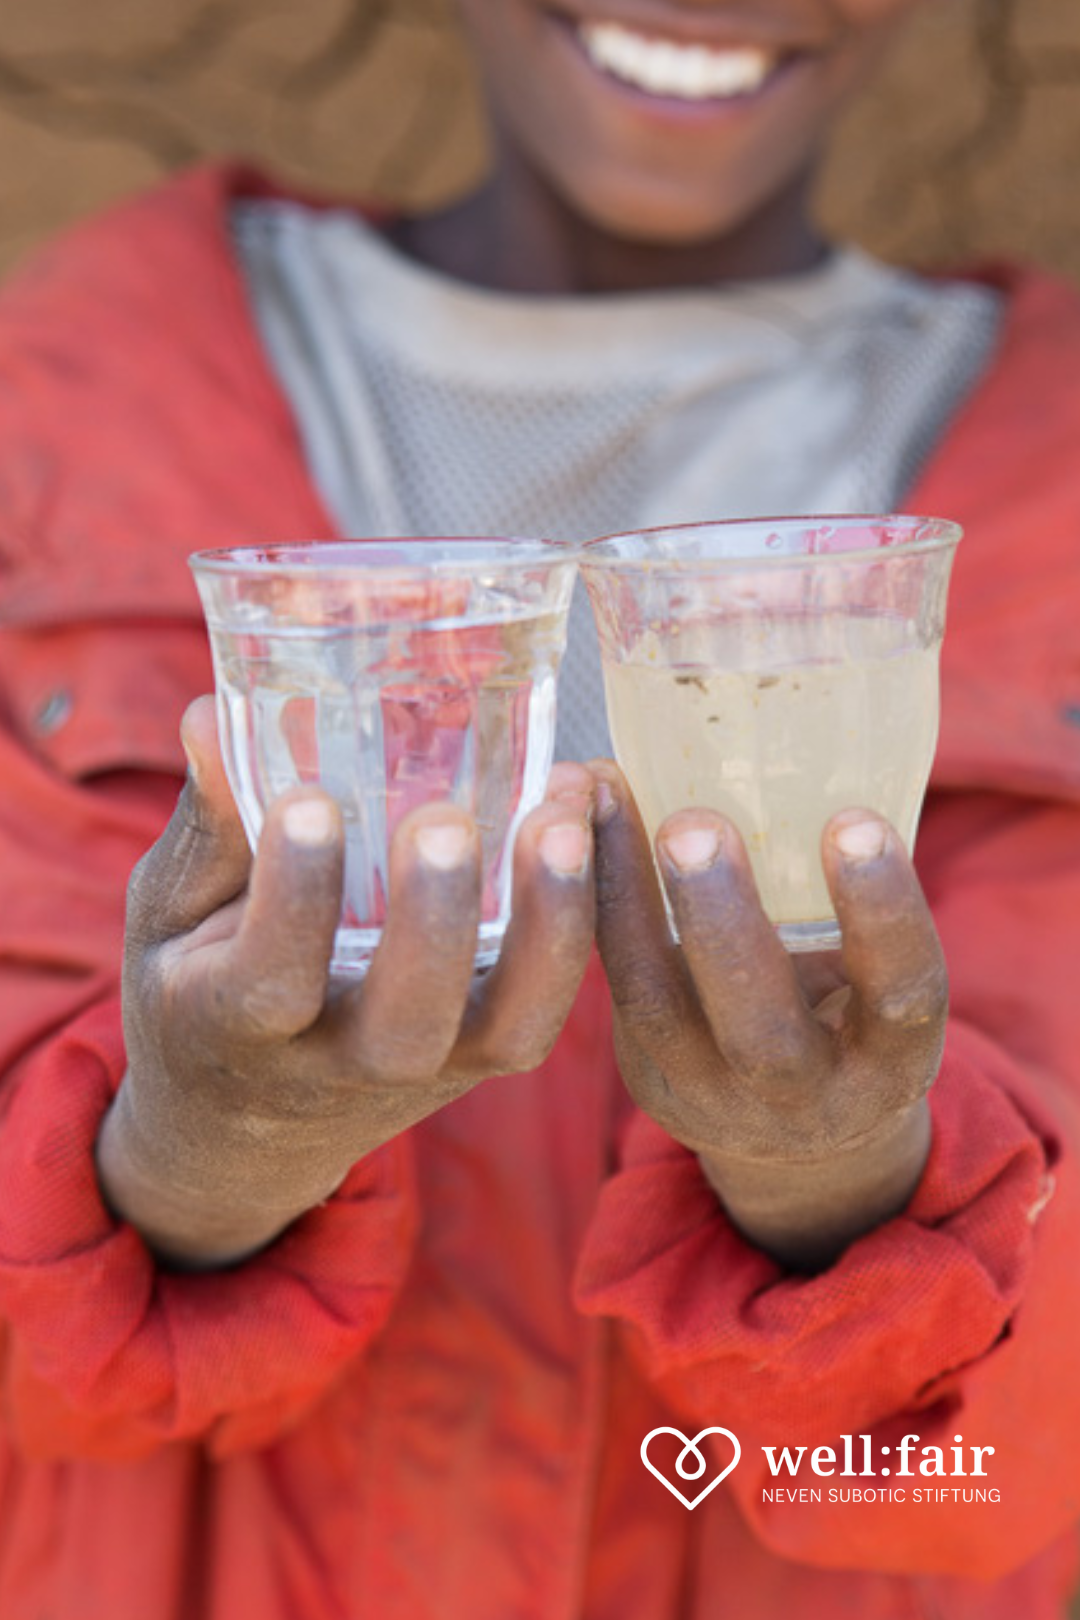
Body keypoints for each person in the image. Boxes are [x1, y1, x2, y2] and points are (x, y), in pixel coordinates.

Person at [1, 0, 1080, 1615]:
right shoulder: (72, 397)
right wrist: (195, 1154)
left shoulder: (1057, 467)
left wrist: (840, 1180)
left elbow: (1014, 1464)